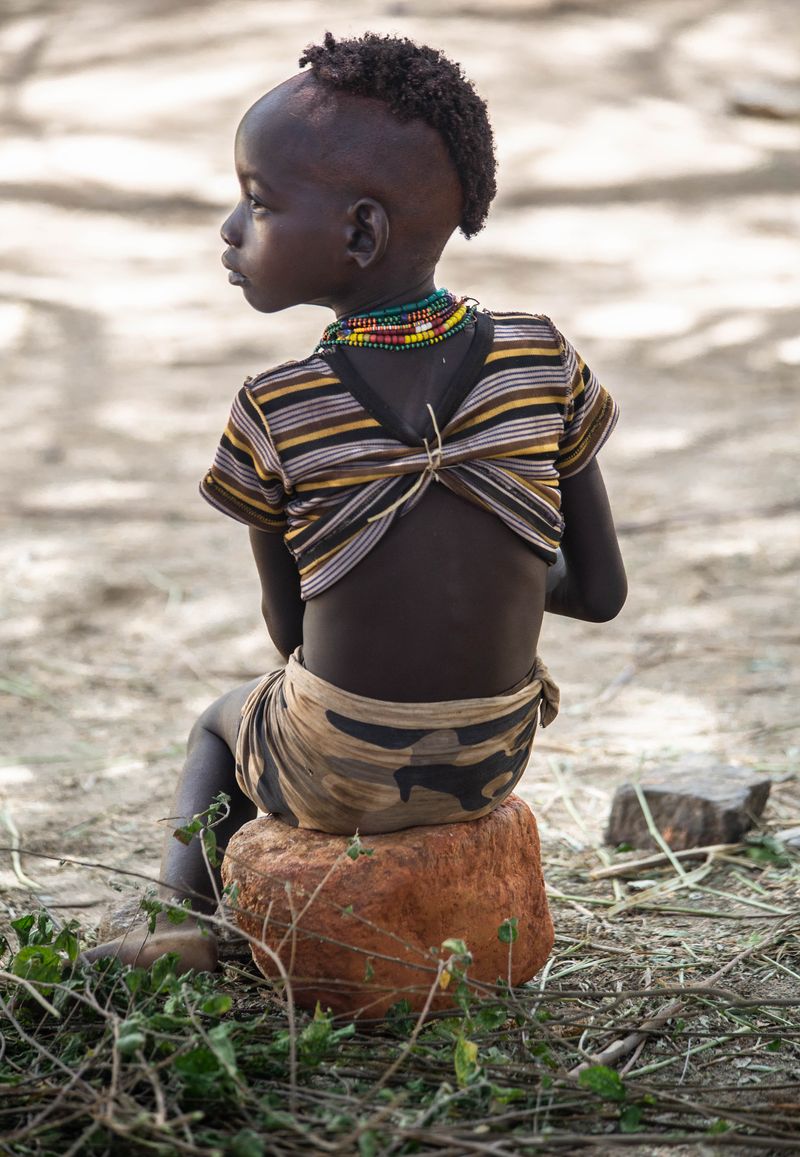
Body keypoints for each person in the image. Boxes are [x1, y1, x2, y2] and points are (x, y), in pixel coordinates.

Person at [83, 32, 626, 973]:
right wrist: (499, 570)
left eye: (258, 203)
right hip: (494, 757)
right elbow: (604, 594)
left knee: (219, 718)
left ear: (361, 234)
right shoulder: (543, 358)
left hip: (337, 769)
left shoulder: (276, 406)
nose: (229, 229)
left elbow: (292, 634)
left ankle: (179, 919)